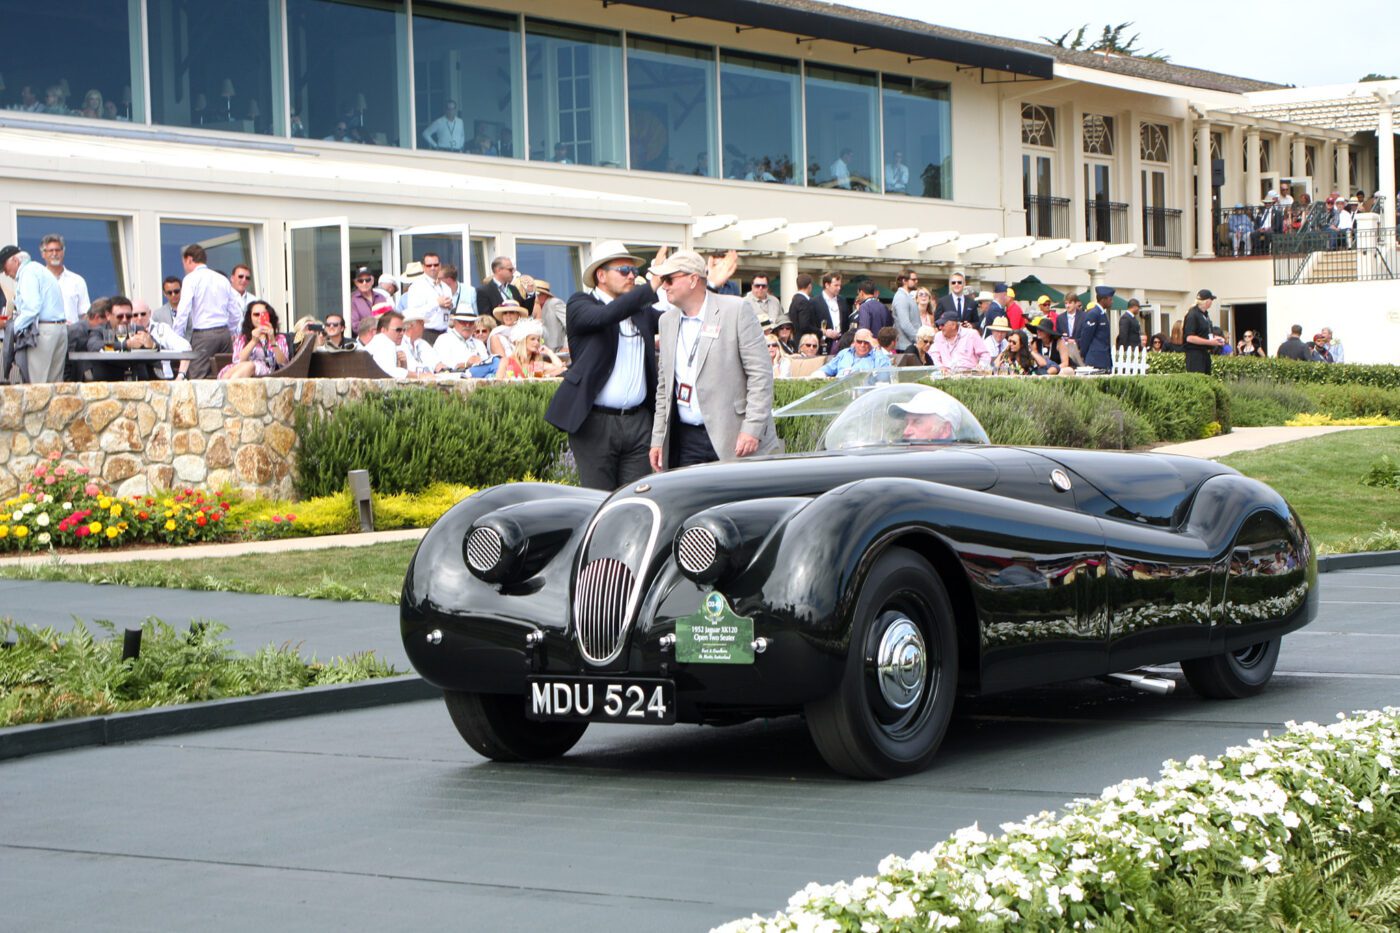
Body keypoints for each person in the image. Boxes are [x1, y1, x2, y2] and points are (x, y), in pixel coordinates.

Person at [543, 241, 664, 491]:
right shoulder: (580, 304)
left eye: (635, 272)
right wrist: (651, 284)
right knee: (598, 501)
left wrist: (704, 285)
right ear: (601, 275)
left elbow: (674, 321)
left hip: (638, 421)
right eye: (623, 270)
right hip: (596, 421)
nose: (632, 276)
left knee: (635, 499)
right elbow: (605, 316)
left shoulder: (640, 310)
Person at [648, 249, 780, 470]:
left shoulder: (736, 310)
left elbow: (760, 375)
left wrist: (752, 428)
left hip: (734, 436)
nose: (663, 286)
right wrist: (658, 438)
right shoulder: (666, 321)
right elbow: (664, 388)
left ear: (692, 280)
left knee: (738, 505)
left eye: (669, 279)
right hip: (686, 439)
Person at [172, 243, 241, 379]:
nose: (184, 267)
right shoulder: (222, 279)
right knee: (225, 376)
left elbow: (183, 312)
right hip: (224, 334)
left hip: (204, 335)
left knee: (199, 379)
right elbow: (236, 312)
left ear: (189, 259)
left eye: (184, 263)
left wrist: (176, 338)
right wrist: (233, 332)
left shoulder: (191, 279)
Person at [1, 245, 67, 383]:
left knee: (37, 385)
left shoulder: (28, 272)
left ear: (15, 260)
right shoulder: (39, 269)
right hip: (59, 329)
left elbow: (32, 309)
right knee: (54, 386)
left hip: (44, 332)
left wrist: (11, 327)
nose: (5, 273)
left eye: (4, 267)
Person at [217, 300, 288, 380]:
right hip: (240, 369)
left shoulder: (279, 338)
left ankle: (230, 390)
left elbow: (283, 364)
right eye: (256, 314)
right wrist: (253, 341)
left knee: (250, 365)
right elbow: (237, 361)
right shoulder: (242, 338)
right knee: (228, 374)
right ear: (250, 317)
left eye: (264, 314)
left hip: (265, 371)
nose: (260, 317)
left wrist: (272, 340)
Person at [130, 298, 192, 378]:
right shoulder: (125, 332)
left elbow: (186, 348)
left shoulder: (161, 329)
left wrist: (180, 376)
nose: (139, 318)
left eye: (143, 314)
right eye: (135, 315)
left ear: (149, 313)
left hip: (161, 378)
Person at [38, 234, 90, 326]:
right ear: (43, 254)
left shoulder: (77, 281)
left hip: (73, 334)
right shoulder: (37, 280)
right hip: (45, 334)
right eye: (50, 250)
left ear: (63, 252)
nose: (54, 254)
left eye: (57, 250)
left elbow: (85, 313)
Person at [403, 253, 452, 343]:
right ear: (423, 267)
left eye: (436, 265)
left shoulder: (446, 287)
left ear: (440, 265)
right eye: (429, 265)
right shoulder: (417, 286)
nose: (433, 268)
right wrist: (436, 304)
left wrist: (449, 306)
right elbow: (414, 314)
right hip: (427, 333)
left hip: (445, 332)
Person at [497, 320, 564, 379]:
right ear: (523, 341)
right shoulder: (506, 361)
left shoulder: (537, 365)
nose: (537, 342)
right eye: (532, 339)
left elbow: (561, 368)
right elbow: (497, 383)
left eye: (538, 340)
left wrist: (549, 352)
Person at [888, 390, 961, 442]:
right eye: (906, 423)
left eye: (917, 422)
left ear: (944, 430)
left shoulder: (959, 463)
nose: (906, 432)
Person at [817, 328, 890, 378]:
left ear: (871, 343)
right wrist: (819, 374)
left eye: (866, 342)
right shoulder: (844, 353)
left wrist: (877, 348)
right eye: (859, 342)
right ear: (854, 342)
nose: (862, 345)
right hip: (840, 389)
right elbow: (828, 368)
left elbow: (885, 375)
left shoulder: (877, 356)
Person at [1182, 289, 1225, 374]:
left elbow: (1204, 334)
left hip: (1205, 353)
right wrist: (1210, 342)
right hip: (1195, 355)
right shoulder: (1193, 314)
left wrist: (1216, 338)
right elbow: (1189, 338)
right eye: (1211, 300)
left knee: (1206, 379)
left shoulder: (1205, 315)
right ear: (1207, 301)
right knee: (1198, 380)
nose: (1212, 302)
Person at [436, 309, 492, 373]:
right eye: (463, 322)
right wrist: (467, 364)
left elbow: (487, 365)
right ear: (454, 322)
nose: (467, 325)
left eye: (471, 322)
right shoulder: (444, 339)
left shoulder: (479, 343)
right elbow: (442, 365)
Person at [1077, 286, 1113, 370]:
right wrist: (1083, 354)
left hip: (1103, 359)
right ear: (1103, 300)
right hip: (1095, 359)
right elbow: (1086, 337)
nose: (1112, 302)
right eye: (1110, 299)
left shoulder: (1102, 313)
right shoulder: (1094, 314)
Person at [815, 271, 849, 351]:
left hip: (841, 344)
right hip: (823, 345)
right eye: (836, 285)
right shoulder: (815, 302)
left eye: (840, 285)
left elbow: (846, 323)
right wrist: (825, 332)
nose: (839, 288)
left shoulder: (842, 300)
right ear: (827, 285)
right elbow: (811, 325)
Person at [787, 273, 822, 349]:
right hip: (805, 343)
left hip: (797, 340)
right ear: (809, 286)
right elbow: (805, 325)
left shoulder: (795, 300)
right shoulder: (804, 302)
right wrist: (820, 331)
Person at [889, 269, 920, 352]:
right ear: (904, 281)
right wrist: (918, 339)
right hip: (905, 346)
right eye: (913, 279)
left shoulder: (906, 296)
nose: (916, 281)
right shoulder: (901, 297)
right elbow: (905, 324)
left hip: (909, 345)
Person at [535, 279, 568, 353]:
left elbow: (571, 325)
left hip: (559, 351)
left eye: (537, 293)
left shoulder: (554, 303)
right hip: (543, 352)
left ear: (545, 294)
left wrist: (566, 347)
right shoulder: (534, 308)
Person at [349, 266, 384, 334]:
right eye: (360, 281)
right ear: (356, 283)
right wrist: (375, 325)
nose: (364, 283)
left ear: (372, 281)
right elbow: (355, 326)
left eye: (367, 280)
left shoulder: (381, 297)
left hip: (382, 337)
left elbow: (388, 318)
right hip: (365, 338)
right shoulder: (352, 300)